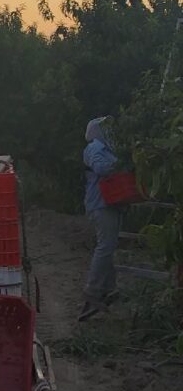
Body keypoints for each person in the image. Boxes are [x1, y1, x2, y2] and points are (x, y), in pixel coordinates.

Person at [79, 116, 123, 322]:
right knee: (105, 246)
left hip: (109, 202)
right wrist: (120, 163)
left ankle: (108, 287)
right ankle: (94, 289)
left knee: (109, 245)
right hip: (100, 203)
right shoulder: (96, 148)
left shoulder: (106, 148)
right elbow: (102, 169)